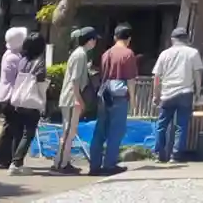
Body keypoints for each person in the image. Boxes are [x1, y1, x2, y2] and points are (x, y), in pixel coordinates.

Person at [0, 28, 42, 171]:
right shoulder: (15, 58)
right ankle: (5, 160)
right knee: (13, 130)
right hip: (11, 96)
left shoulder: (8, 54)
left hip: (5, 95)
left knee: (10, 129)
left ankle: (2, 160)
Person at [151, 25, 203, 165]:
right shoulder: (193, 53)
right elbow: (197, 75)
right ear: (186, 39)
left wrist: (156, 94)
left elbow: (157, 77)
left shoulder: (164, 54)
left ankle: (159, 154)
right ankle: (176, 156)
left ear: (172, 39)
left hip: (167, 94)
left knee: (162, 124)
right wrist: (198, 93)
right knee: (181, 125)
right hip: (185, 93)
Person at [49, 26, 97, 175]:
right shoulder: (80, 55)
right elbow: (75, 80)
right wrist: (78, 99)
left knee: (70, 132)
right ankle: (60, 164)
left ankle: (64, 161)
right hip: (71, 98)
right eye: (94, 39)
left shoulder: (80, 54)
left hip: (71, 98)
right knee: (68, 132)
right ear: (90, 40)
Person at [91, 23, 139, 175]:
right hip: (119, 96)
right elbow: (130, 79)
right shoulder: (128, 54)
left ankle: (94, 165)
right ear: (129, 39)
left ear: (115, 37)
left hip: (104, 94)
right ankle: (109, 165)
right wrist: (133, 99)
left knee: (100, 129)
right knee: (116, 130)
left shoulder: (106, 54)